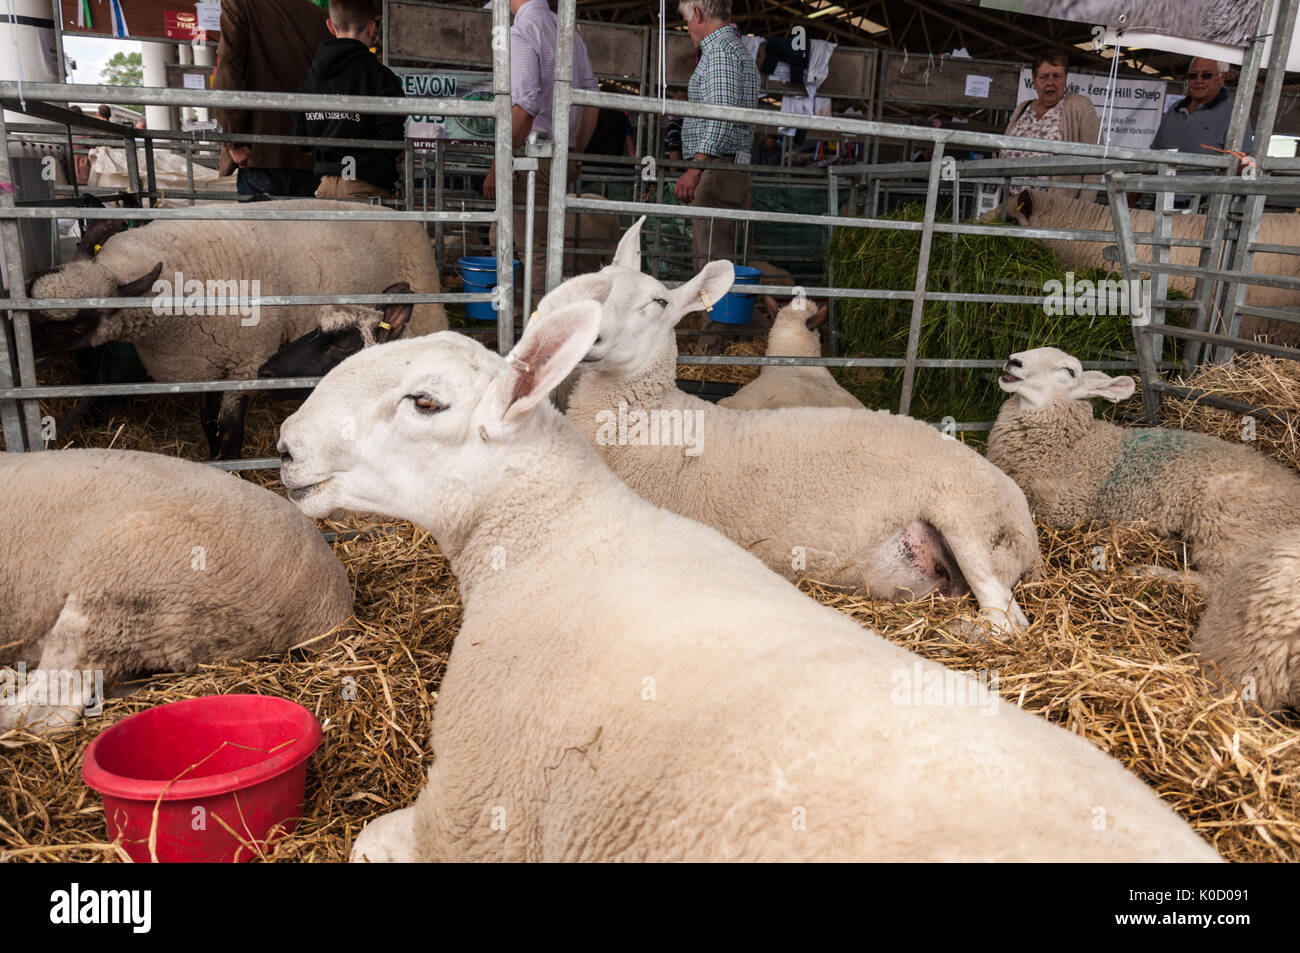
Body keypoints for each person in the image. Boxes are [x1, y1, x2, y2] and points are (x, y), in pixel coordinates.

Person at [483, 0, 598, 290]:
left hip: (530, 157)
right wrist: (574, 153)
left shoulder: (522, 31)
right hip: (558, 154)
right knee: (508, 236)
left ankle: (535, 324)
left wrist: (500, 161)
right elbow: (590, 97)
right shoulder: (569, 32)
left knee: (533, 249)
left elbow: (526, 106)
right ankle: (518, 315)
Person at [212, 0, 331, 197]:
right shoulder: (319, 16)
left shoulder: (241, 5)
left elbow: (228, 72)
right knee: (305, 225)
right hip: (309, 155)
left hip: (260, 150)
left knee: (261, 226)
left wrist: (234, 139)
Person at [674, 0, 760, 266]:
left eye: (687, 21)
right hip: (724, 168)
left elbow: (722, 114)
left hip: (716, 169)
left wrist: (696, 167)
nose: (687, 28)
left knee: (712, 265)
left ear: (697, 14)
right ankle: (717, 308)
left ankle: (717, 309)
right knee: (715, 259)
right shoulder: (735, 49)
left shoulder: (720, 52)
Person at [295, 0, 406, 200]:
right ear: (371, 28)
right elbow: (391, 138)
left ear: (330, 26)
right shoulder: (380, 77)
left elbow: (300, 136)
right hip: (366, 187)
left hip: (324, 187)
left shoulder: (309, 77)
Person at [1150, 58, 1253, 208]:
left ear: (1222, 77)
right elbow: (1153, 157)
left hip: (1204, 205)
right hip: (1161, 199)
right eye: (1193, 76)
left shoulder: (1235, 113)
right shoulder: (1175, 109)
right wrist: (1133, 200)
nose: (1198, 81)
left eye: (1206, 75)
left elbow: (1243, 161)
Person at [1000, 52, 1101, 202]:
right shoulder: (1022, 108)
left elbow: (1095, 162)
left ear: (1065, 79)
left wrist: (1082, 209)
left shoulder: (1080, 106)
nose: (1050, 82)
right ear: (1034, 82)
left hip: (1056, 209)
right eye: (1044, 77)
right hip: (1013, 206)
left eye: (1057, 76)